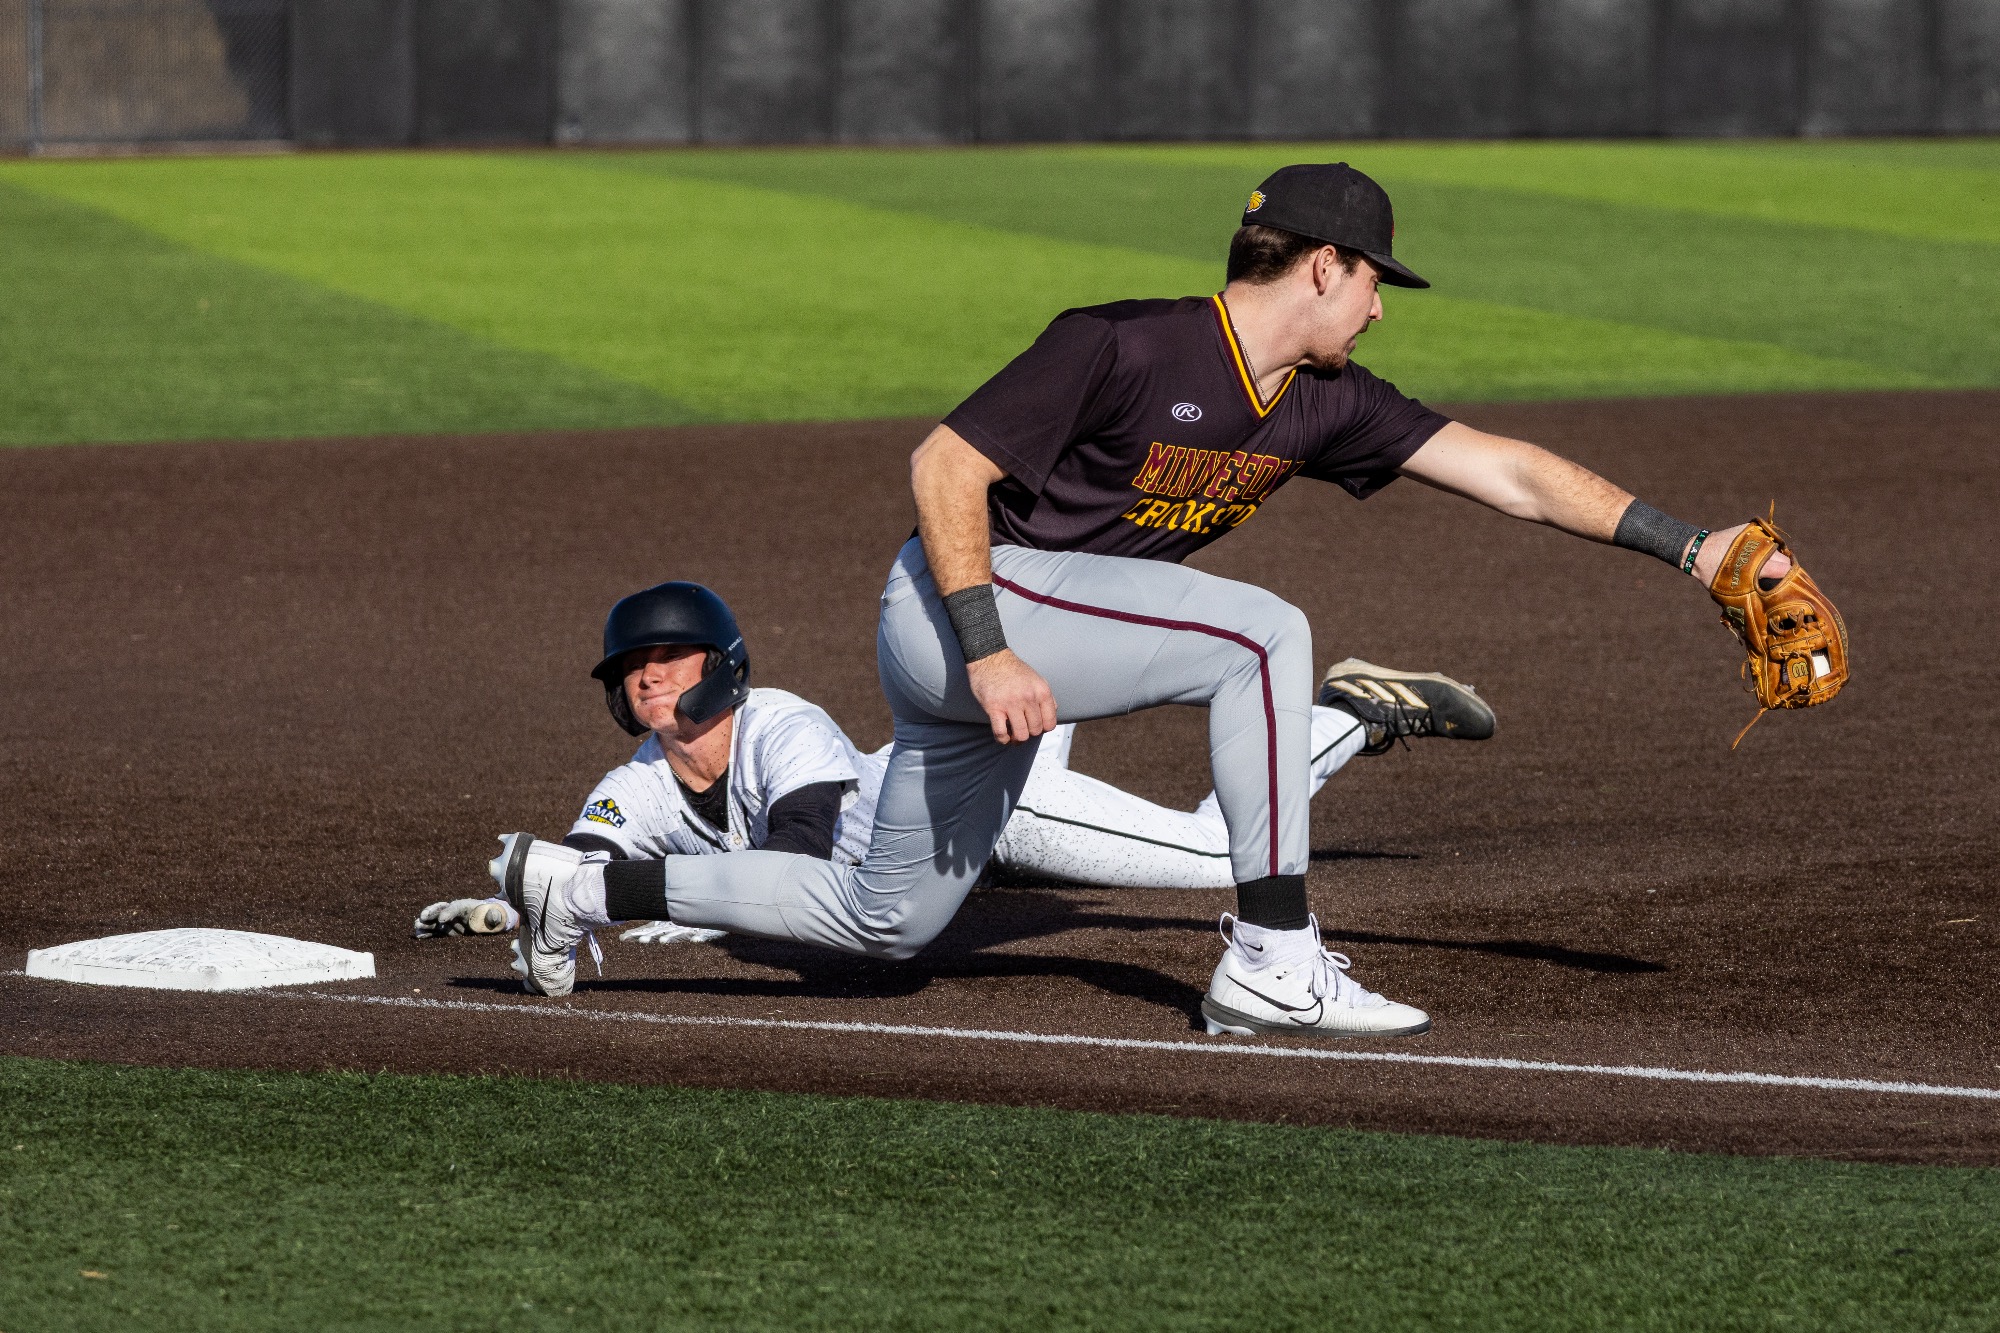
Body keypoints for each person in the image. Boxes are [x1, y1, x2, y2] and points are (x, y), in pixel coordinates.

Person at [500, 162, 1793, 1039]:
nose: (1386, 304)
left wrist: (1696, 547)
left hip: (1025, 639)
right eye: (1380, 278)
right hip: (962, 610)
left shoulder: (1329, 404)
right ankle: (1272, 959)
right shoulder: (1121, 342)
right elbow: (945, 465)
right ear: (1326, 265)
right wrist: (988, 648)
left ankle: (579, 893)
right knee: (1260, 630)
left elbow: (1507, 472)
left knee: (884, 922)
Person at [417, 581, 1492, 945]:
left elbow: (804, 853)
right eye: (633, 668)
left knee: (1218, 854)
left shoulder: (780, 726)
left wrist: (665, 902)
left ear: (721, 668)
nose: (649, 680)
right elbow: (579, 856)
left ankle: (1342, 712)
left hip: (989, 816)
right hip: (959, 792)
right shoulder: (642, 781)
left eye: (668, 659)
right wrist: (509, 902)